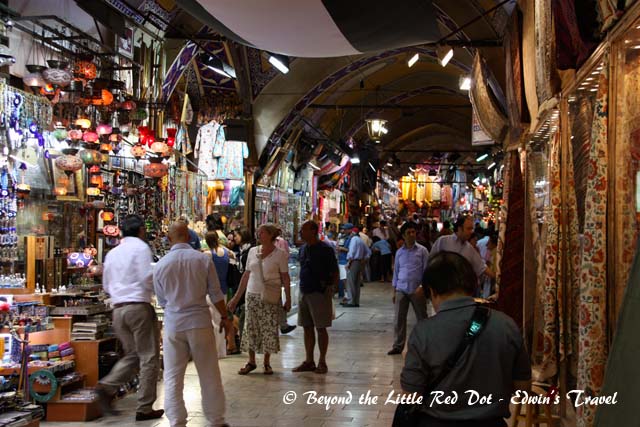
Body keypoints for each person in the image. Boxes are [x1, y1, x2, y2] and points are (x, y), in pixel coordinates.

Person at [401, 252, 531, 426]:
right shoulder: (507, 325)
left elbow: (412, 396)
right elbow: (523, 388)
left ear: (431, 291)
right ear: (473, 285)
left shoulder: (423, 332)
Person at [153, 221, 232, 427]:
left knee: (173, 376)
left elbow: (162, 301)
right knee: (209, 372)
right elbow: (215, 294)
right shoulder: (202, 260)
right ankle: (216, 419)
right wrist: (225, 317)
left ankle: (177, 420)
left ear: (169, 239)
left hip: (173, 325)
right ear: (189, 237)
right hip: (199, 322)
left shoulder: (161, 265)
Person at [97, 215, 163, 421]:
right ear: (141, 230)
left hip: (118, 310)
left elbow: (106, 284)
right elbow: (146, 277)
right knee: (149, 357)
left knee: (133, 355)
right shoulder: (141, 249)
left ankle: (106, 387)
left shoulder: (113, 253)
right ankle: (144, 407)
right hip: (138, 308)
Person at [228, 223, 292, 375]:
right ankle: (251, 361)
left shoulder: (280, 254)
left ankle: (267, 362)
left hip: (270, 296)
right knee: (251, 327)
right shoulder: (252, 251)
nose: (259, 235)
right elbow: (246, 275)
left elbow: (285, 277)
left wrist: (288, 298)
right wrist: (236, 297)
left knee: (268, 328)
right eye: (258, 232)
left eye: (262, 232)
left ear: (270, 235)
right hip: (252, 294)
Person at [292, 221, 339, 375]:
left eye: (303, 229)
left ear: (313, 231)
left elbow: (334, 270)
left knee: (320, 327)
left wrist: (332, 288)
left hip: (319, 292)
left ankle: (322, 361)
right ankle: (309, 360)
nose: (301, 232)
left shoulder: (325, 249)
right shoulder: (304, 249)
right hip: (304, 291)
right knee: (307, 327)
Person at [387, 222, 429, 356]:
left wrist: (423, 287)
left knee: (422, 318)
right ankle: (398, 345)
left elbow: (427, 270)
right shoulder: (399, 252)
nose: (412, 235)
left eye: (413, 232)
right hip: (401, 288)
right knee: (399, 319)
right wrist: (394, 290)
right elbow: (396, 271)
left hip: (417, 290)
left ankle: (424, 344)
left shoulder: (422, 251)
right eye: (409, 233)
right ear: (403, 236)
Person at [430, 215, 495, 281]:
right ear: (459, 228)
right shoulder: (443, 241)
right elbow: (431, 263)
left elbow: (482, 267)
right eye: (468, 229)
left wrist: (497, 278)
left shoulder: (470, 249)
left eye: (472, 229)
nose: (471, 232)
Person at [205, 231, 238, 354]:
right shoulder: (227, 252)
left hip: (211, 290)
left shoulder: (208, 254)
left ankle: (215, 350)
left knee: (213, 321)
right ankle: (222, 350)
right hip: (224, 289)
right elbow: (234, 258)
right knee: (221, 319)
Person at [341, 225, 370, 307]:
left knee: (350, 282)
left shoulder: (354, 240)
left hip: (353, 262)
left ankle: (351, 301)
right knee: (356, 283)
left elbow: (352, 252)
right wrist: (363, 261)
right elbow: (368, 252)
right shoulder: (360, 240)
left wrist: (349, 262)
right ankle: (356, 301)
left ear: (352, 232)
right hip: (359, 262)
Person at [275, 226, 296, 335]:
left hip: (278, 274)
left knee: (277, 300)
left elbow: (285, 255)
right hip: (275, 275)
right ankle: (283, 324)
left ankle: (282, 324)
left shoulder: (281, 242)